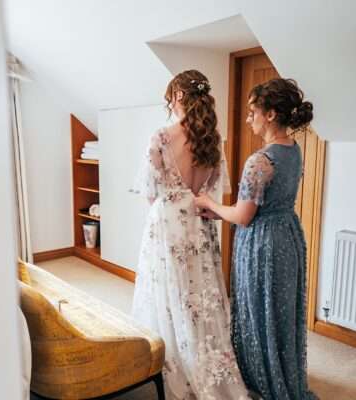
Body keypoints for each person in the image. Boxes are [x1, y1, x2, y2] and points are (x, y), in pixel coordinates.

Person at [195, 78, 318, 400]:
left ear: (272, 114)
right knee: (278, 309)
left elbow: (244, 215)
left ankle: (261, 377)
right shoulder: (293, 151)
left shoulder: (260, 160)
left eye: (253, 112)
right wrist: (222, 211)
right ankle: (282, 370)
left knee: (256, 307)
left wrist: (209, 204)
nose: (249, 118)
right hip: (288, 235)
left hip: (262, 242)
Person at [132, 70, 249, 400]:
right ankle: (207, 357)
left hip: (168, 222)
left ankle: (172, 362)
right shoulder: (212, 139)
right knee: (200, 295)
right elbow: (214, 191)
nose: (168, 101)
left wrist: (170, 204)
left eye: (170, 95)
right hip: (200, 219)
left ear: (179, 96)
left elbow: (149, 191)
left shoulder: (161, 137)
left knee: (169, 294)